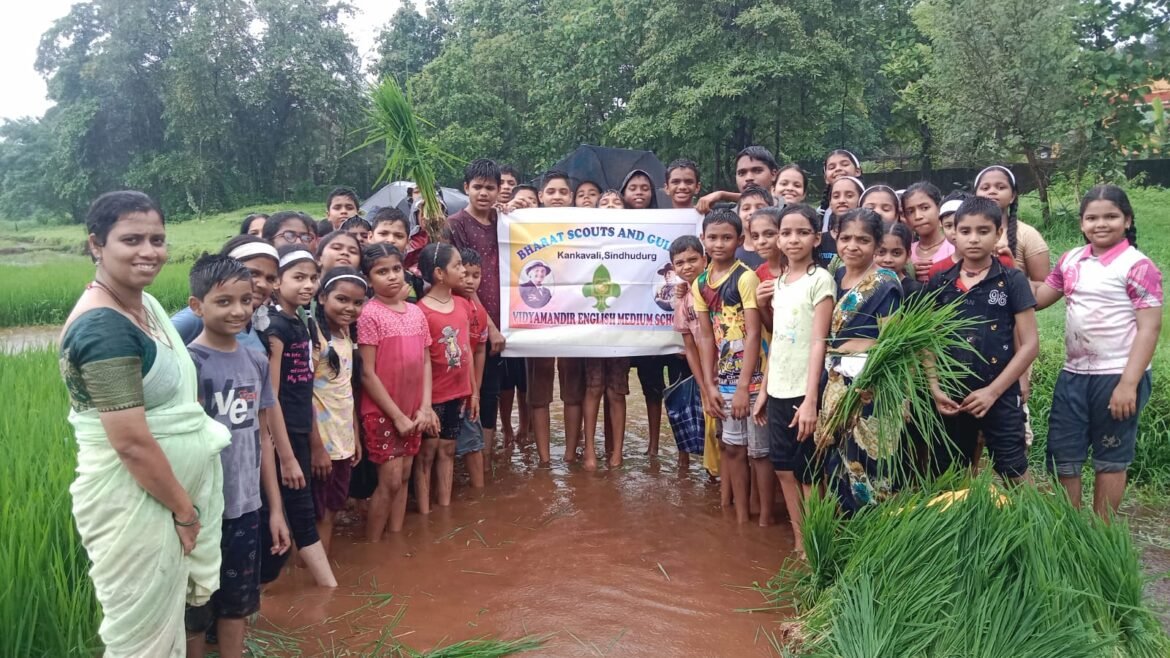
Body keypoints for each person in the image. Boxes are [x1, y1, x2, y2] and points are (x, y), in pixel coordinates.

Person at [58, 191, 231, 657]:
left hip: (166, 498)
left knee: (167, 630)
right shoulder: (103, 328)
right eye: (131, 239)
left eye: (157, 239)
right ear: (96, 244)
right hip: (135, 504)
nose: (149, 251)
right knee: (141, 642)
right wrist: (185, 511)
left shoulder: (146, 306)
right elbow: (132, 443)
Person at [1033, 185, 1162, 517]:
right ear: (1081, 223)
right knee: (1064, 455)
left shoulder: (1137, 265)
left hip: (1117, 375)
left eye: (1111, 217)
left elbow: (1149, 328)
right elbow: (1040, 298)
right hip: (1073, 375)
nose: (1100, 224)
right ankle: (1072, 531)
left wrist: (1128, 384)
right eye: (1092, 217)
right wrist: (998, 269)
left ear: (1127, 220)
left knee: (1110, 457)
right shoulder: (1071, 260)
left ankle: (1101, 535)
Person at [184, 255, 290, 658]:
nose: (238, 310)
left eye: (246, 301)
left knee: (237, 605)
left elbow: (262, 437)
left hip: (245, 507)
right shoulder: (191, 364)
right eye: (224, 302)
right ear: (197, 306)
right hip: (202, 509)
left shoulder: (256, 359)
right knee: (196, 608)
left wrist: (274, 510)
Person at [926, 197, 1038, 485]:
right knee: (950, 473)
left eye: (983, 231)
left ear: (998, 232)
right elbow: (927, 340)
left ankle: (1034, 527)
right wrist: (935, 387)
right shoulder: (940, 282)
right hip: (952, 395)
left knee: (1013, 468)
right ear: (954, 234)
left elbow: (1029, 345)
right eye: (965, 231)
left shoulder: (1012, 280)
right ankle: (961, 525)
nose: (973, 239)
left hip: (999, 392)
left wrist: (992, 392)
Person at [811, 209, 904, 512]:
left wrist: (860, 375)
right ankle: (842, 534)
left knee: (867, 463)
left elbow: (890, 342)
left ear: (877, 246)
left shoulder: (884, 284)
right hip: (835, 383)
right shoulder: (835, 276)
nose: (853, 246)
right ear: (835, 237)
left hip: (869, 389)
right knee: (835, 462)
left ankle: (873, 538)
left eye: (863, 240)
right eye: (846, 238)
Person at [750, 203, 833, 542]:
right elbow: (780, 342)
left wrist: (812, 399)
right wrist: (764, 392)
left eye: (802, 233)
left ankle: (817, 543)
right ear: (779, 240)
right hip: (779, 387)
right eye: (786, 233)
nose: (793, 239)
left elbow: (819, 342)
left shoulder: (821, 280)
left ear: (816, 238)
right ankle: (801, 540)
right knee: (783, 468)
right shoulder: (779, 283)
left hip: (805, 390)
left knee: (810, 473)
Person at [259, 245, 337, 587]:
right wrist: (284, 453)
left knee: (298, 514)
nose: (308, 285)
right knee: (299, 514)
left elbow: (302, 391)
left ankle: (302, 590)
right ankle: (329, 592)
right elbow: (270, 396)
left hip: (298, 433)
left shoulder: (299, 322)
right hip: (282, 438)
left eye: (313, 277)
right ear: (277, 283)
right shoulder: (277, 328)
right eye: (298, 278)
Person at [358, 244, 437, 538]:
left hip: (414, 408)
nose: (391, 277)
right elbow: (367, 372)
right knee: (389, 481)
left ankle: (395, 538)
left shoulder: (417, 312)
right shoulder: (369, 314)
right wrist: (396, 416)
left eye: (395, 269)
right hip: (382, 411)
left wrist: (425, 406)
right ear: (368, 279)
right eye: (381, 272)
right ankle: (374, 545)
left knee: (404, 477)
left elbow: (426, 360)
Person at [694, 208, 766, 523]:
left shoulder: (745, 277)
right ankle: (739, 517)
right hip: (723, 379)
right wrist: (709, 386)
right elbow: (707, 338)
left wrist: (742, 387)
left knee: (759, 453)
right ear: (703, 240)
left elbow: (752, 335)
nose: (719, 244)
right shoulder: (699, 284)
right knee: (733, 447)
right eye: (713, 237)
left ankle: (763, 516)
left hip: (753, 379)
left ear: (739, 240)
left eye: (726, 237)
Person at [447, 160, 509, 467]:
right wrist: (491, 326)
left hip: (506, 316)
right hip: (471, 321)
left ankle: (485, 460)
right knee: (466, 387)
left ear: (499, 190)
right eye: (478, 187)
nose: (484, 193)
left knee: (491, 391)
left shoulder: (506, 221)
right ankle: (463, 456)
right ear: (466, 188)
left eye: (490, 187)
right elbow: (462, 281)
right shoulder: (454, 224)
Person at [309, 267, 366, 554]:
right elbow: (302, 396)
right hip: (319, 443)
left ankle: (320, 581)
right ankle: (308, 580)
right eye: (341, 299)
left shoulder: (346, 334)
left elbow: (346, 393)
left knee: (331, 508)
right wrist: (316, 447)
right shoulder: (313, 336)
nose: (350, 308)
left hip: (341, 440)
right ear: (322, 297)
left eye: (357, 303)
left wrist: (354, 435)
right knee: (314, 515)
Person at [417, 244, 477, 509]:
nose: (463, 270)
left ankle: (444, 508)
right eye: (457, 265)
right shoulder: (421, 311)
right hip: (433, 396)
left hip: (458, 392)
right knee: (426, 454)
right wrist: (425, 404)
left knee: (449, 449)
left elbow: (469, 352)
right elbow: (421, 361)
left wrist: (473, 392)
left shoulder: (464, 305)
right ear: (440, 273)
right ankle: (425, 510)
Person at [525, 170, 575, 465]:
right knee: (539, 391)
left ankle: (569, 453)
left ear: (570, 196)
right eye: (551, 192)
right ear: (540, 196)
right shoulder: (523, 225)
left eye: (563, 192)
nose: (557, 197)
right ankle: (544, 458)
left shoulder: (585, 223)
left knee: (573, 391)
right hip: (537, 323)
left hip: (574, 321)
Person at [669, 235, 708, 471]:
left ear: (705, 259)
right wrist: (703, 384)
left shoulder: (715, 288)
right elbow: (689, 344)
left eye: (693, 259)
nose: (687, 266)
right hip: (702, 370)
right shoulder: (683, 300)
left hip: (725, 370)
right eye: (680, 263)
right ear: (673, 267)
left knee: (731, 437)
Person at [973, 165, 1051, 282]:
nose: (992, 191)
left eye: (1000, 187)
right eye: (985, 188)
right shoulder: (962, 233)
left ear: (1012, 196)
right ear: (975, 196)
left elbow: (1042, 287)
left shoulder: (1027, 234)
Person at [456, 247, 489, 487]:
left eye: (475, 275)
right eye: (464, 274)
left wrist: (475, 389)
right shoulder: (445, 305)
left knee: (473, 442)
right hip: (445, 387)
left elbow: (479, 350)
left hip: (469, 389)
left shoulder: (480, 311)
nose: (469, 280)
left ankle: (479, 494)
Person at [695, 146, 780, 211]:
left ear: (774, 174)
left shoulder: (787, 210)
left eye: (757, 171)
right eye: (741, 173)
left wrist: (723, 195)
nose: (749, 178)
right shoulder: (727, 216)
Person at [368, 207, 425, 301]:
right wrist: (395, 301)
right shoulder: (360, 279)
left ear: (408, 243)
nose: (390, 240)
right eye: (383, 234)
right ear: (370, 237)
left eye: (398, 236)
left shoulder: (414, 281)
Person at [902, 182, 952, 282]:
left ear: (939, 208)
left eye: (925, 208)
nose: (918, 216)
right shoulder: (905, 252)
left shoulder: (954, 248)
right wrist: (909, 271)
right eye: (910, 211)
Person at [821, 176, 864, 270]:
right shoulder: (819, 241)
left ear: (860, 200)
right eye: (836, 196)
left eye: (849, 196)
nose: (842, 201)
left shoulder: (867, 240)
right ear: (830, 202)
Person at [817, 149, 862, 231]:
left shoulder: (870, 204)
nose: (838, 169)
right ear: (826, 178)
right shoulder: (822, 212)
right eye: (831, 167)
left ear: (857, 171)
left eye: (844, 164)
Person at [876, 221, 922, 299]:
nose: (888, 260)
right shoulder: (862, 286)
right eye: (881, 252)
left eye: (896, 253)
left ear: (908, 255)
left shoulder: (914, 291)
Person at [735, 185, 773, 269]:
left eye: (759, 208)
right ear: (738, 215)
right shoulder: (732, 253)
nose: (752, 212)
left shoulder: (779, 250)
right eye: (746, 208)